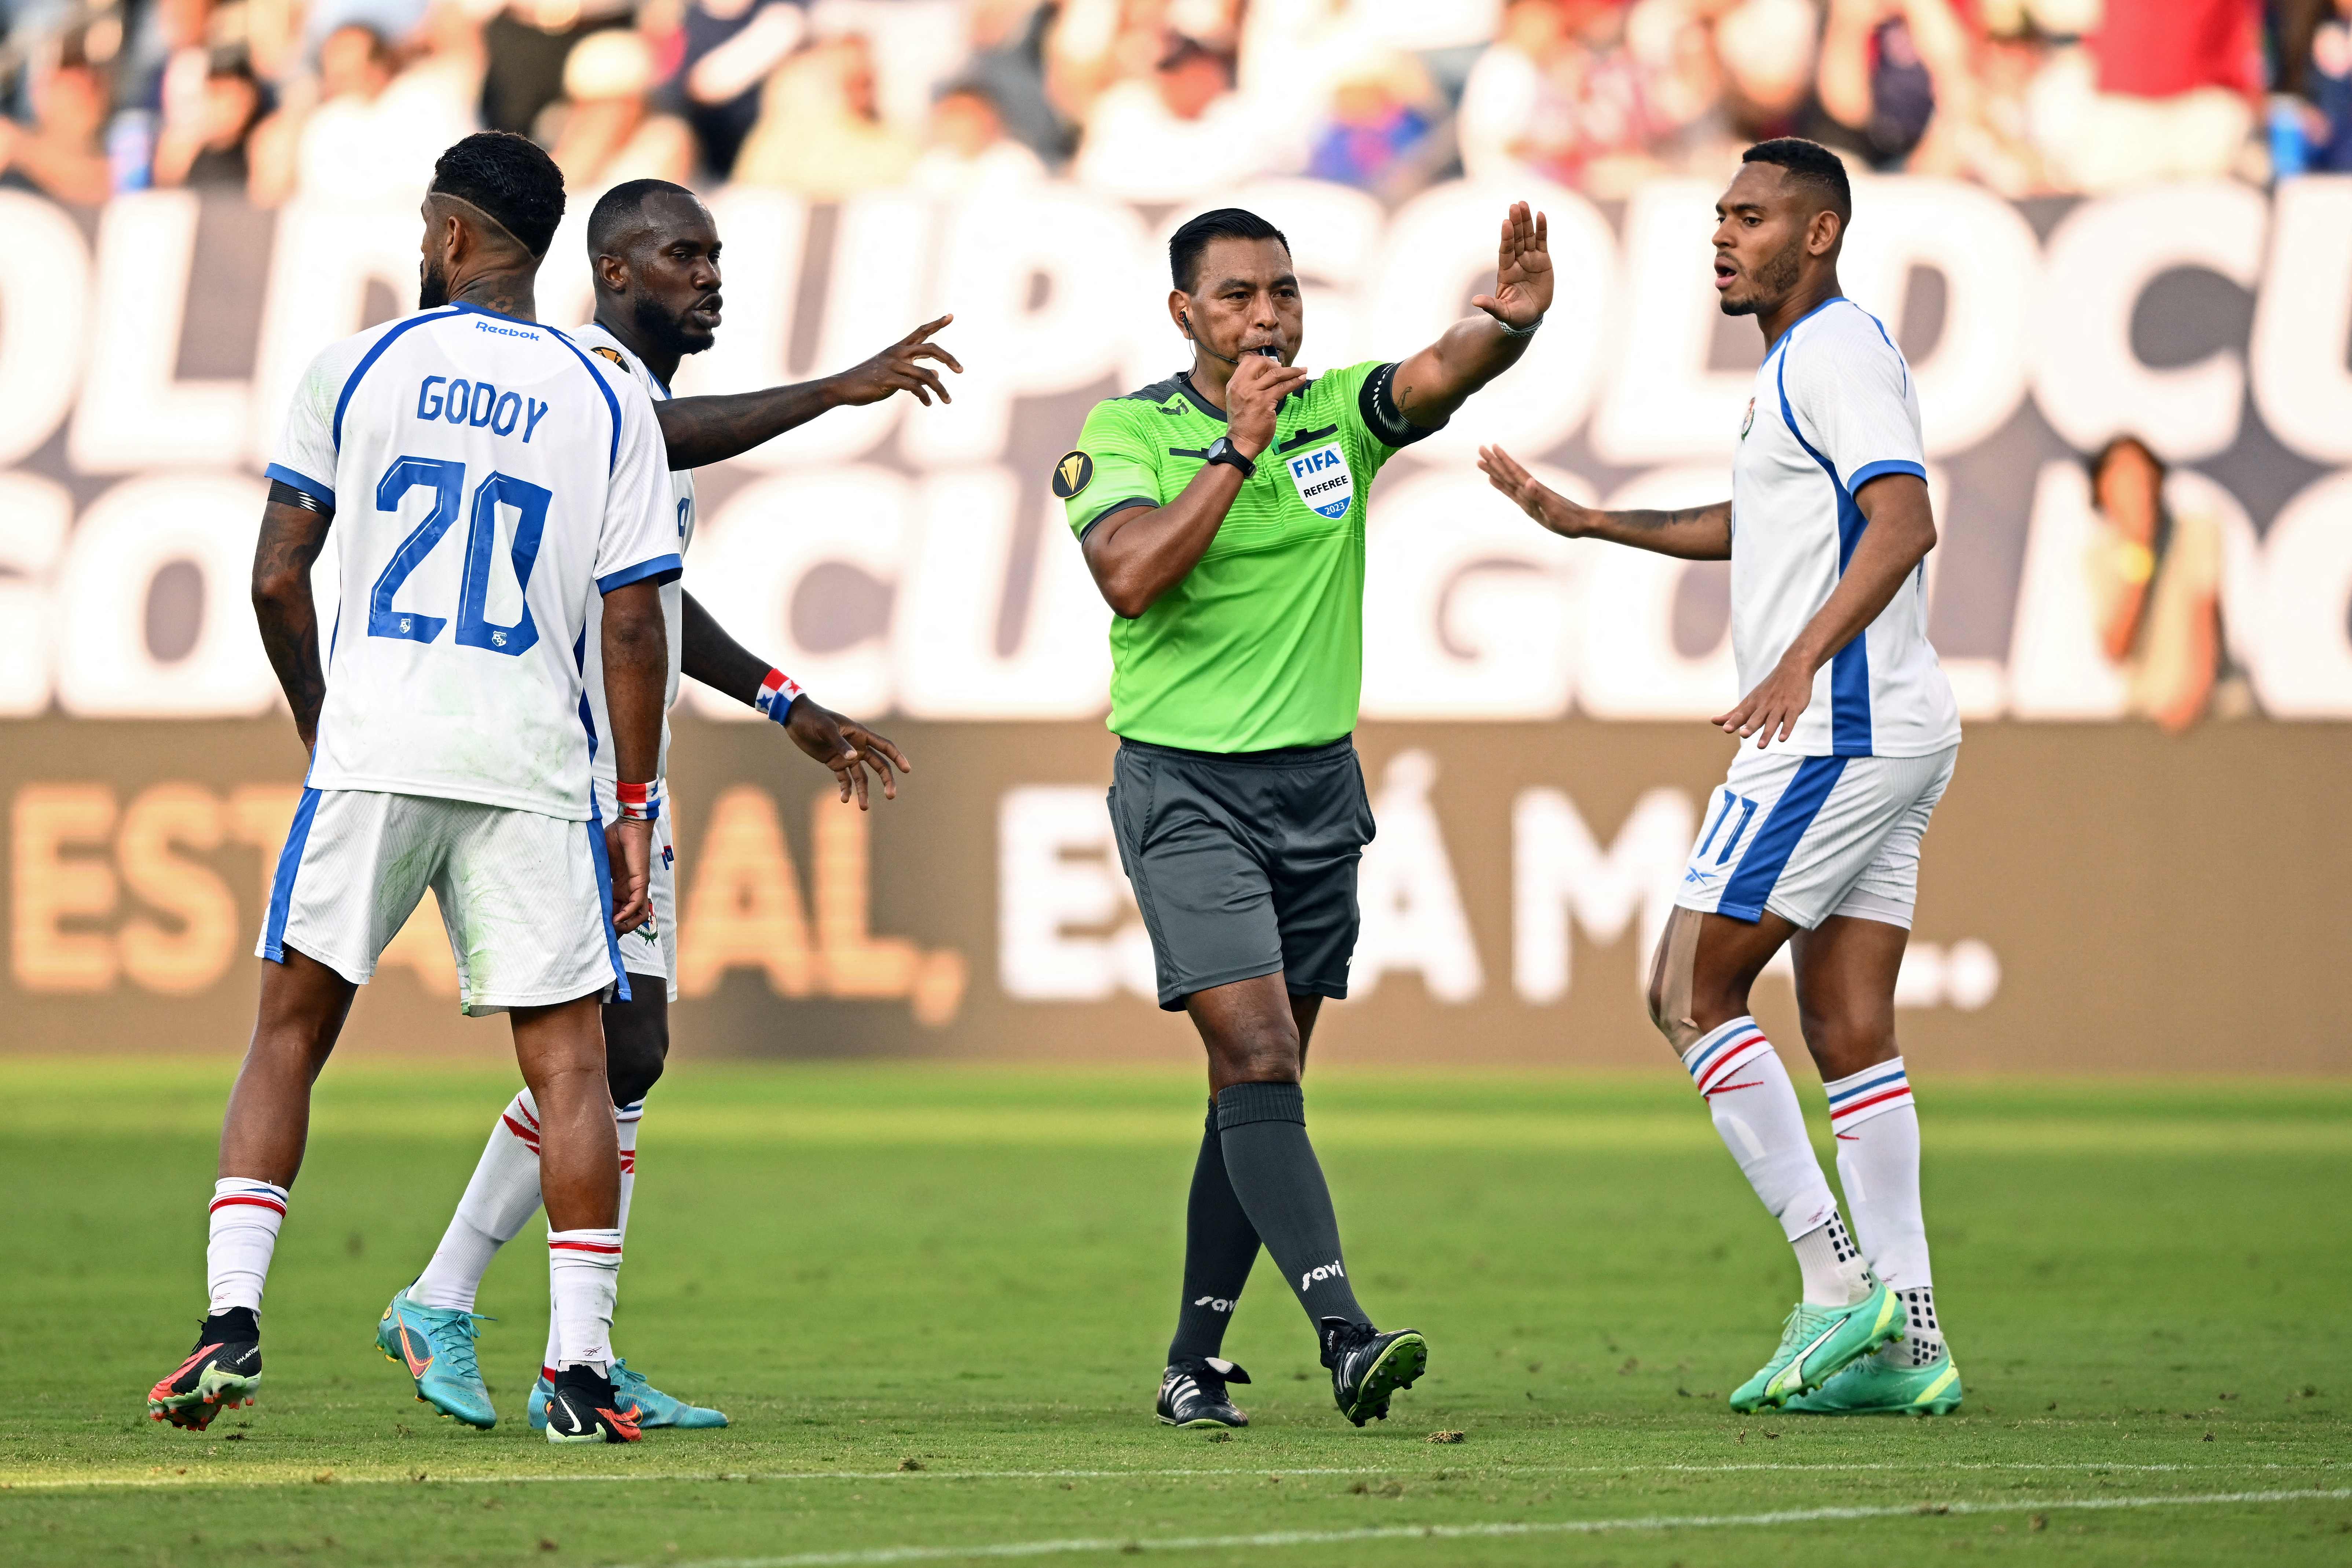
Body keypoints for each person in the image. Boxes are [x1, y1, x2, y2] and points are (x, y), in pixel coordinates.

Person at [377, 177, 962, 1433]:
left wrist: (784, 701)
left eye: (715, 254)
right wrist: (832, 390)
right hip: (560, 776)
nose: (710, 276)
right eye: (683, 255)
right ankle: (535, 1342)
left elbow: (648, 606)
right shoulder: (588, 379)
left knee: (626, 1056)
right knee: (612, 1054)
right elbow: (667, 442)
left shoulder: (631, 404)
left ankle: (484, 1314)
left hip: (620, 769)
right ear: (617, 271)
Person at [145, 131, 682, 1446]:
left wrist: (325, 721)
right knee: (568, 1063)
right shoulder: (601, 393)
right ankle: (577, 1370)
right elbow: (632, 624)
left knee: (290, 1034)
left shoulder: (361, 365)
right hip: (531, 764)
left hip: (378, 751)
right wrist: (633, 804)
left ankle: (232, 1324)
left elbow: (279, 572)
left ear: (449, 235)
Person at [1480, 138, 1963, 1418]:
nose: (1723, 236)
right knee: (1848, 1029)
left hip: (1839, 727)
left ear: (1819, 234)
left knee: (1687, 989)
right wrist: (1595, 523)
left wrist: (1802, 657)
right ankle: (1909, 1335)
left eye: (1751, 218)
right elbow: (1773, 522)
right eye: (1719, 216)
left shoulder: (1836, 352)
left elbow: (1903, 522)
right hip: (1900, 725)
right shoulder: (1805, 367)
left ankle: (1831, 1281)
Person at [1060, 202, 1553, 1430]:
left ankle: (1192, 1360)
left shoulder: (1338, 412)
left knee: (1256, 1085)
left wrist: (1508, 324)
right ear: (1186, 313)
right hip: (1186, 788)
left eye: (1282, 290)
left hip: (1318, 792)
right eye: (1237, 295)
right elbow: (1129, 573)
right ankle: (1345, 1334)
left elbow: (1437, 375)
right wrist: (1233, 450)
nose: (1269, 313)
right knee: (1262, 1057)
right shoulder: (1128, 433)